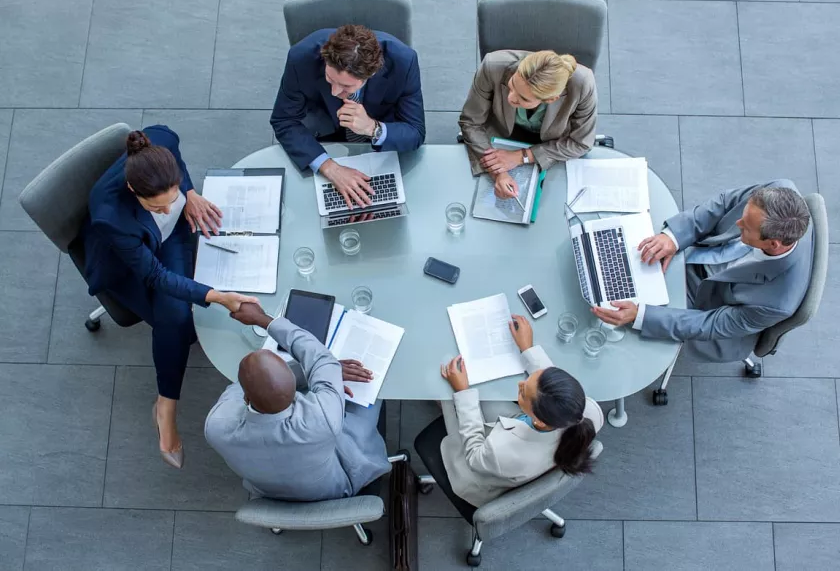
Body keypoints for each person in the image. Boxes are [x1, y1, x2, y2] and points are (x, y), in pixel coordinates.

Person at [81, 126, 258, 469]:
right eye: (156, 207)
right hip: (130, 264)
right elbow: (154, 276)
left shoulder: (160, 142)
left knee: (183, 319)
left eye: (171, 197)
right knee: (177, 320)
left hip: (172, 237)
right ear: (134, 190)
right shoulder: (110, 217)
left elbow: (173, 150)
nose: (166, 209)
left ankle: (165, 400)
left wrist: (188, 194)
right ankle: (166, 406)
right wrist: (218, 297)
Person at [593, 180, 813, 363]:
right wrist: (674, 237)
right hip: (700, 253)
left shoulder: (776, 303)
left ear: (773, 244)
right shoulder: (778, 190)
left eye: (745, 227)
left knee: (614, 322)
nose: (737, 224)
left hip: (708, 304)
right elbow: (726, 203)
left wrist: (641, 316)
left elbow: (710, 324)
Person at [204, 303, 391, 501]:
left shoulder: (216, 426)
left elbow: (240, 386)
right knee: (375, 388)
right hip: (334, 488)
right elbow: (320, 358)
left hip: (269, 492)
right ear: (294, 387)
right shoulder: (322, 418)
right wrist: (263, 319)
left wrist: (319, 374)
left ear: (246, 398)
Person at [428, 315, 603, 508]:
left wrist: (463, 392)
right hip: (519, 437)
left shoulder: (500, 451)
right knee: (485, 391)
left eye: (523, 392)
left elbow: (474, 455)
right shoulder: (586, 411)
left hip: (480, 467)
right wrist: (528, 349)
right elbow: (551, 387)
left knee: (444, 387)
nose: (521, 383)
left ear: (540, 420)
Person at [270, 24, 426, 209]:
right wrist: (330, 168)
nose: (335, 92)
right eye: (330, 79)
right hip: (324, 134)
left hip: (380, 141)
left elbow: (416, 132)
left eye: (346, 87)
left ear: (372, 74)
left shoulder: (404, 62)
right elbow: (284, 120)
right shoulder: (300, 58)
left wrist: (372, 128)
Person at [459, 50, 597, 199]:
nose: (510, 98)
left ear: (551, 99)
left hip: (552, 145)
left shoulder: (583, 84)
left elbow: (581, 143)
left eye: (523, 99)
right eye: (511, 86)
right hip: (500, 136)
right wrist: (498, 172)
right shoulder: (492, 66)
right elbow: (471, 122)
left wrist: (522, 156)